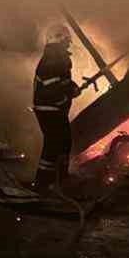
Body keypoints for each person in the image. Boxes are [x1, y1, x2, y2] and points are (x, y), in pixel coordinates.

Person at [31, 27, 82, 192]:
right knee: (55, 144)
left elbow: (62, 82)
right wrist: (68, 93)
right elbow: (52, 85)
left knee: (61, 142)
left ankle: (58, 179)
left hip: (51, 107)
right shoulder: (54, 58)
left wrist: (72, 88)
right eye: (66, 40)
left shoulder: (55, 57)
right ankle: (45, 183)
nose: (68, 44)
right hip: (50, 107)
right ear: (59, 40)